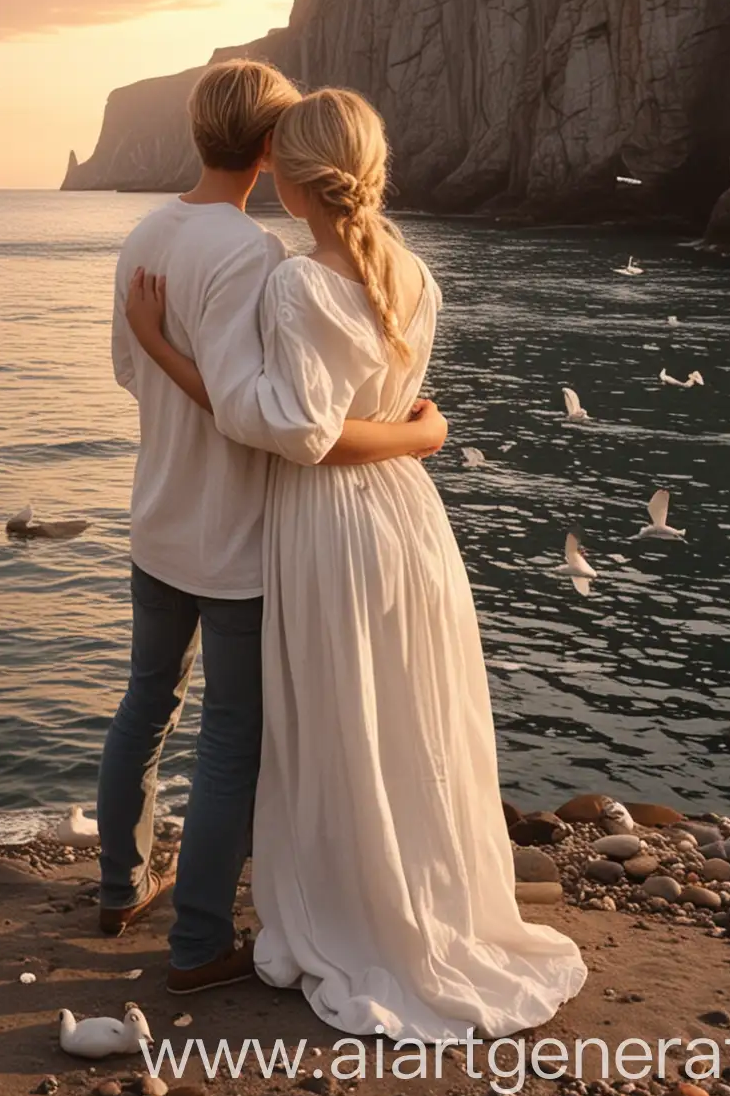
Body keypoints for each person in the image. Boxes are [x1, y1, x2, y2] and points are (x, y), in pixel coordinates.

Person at [124, 87, 586, 1038]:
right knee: (408, 719)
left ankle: (353, 914)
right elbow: (368, 412)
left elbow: (294, 431)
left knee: (337, 730)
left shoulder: (297, 282)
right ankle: (423, 901)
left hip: (331, 527)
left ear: (289, 185)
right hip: (409, 528)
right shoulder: (415, 273)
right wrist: (423, 440)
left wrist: (160, 347)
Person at [100, 61, 449, 997]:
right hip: (243, 536)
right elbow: (274, 416)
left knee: (144, 704)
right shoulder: (256, 257)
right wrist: (420, 433)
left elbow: (134, 374)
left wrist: (164, 354)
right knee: (230, 739)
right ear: (268, 147)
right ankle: (199, 939)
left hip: (157, 516)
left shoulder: (146, 232)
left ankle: (117, 886)